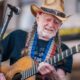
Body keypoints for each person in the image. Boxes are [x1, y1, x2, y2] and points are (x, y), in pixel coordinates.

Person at [0, 0, 73, 80]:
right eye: (48, 19)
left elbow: (61, 78)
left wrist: (53, 74)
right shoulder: (17, 36)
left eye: (56, 22)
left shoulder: (63, 50)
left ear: (60, 25)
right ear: (38, 17)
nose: (51, 25)